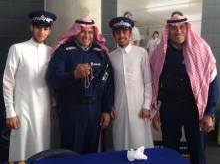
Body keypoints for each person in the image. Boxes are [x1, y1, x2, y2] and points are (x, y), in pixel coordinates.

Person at [150, 15, 218, 164]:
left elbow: (212, 82)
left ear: (187, 28)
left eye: (182, 27)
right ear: (168, 29)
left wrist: (209, 112)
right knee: (170, 152)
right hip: (169, 107)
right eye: (174, 27)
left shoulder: (201, 48)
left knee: (198, 151)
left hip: (194, 108)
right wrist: (154, 110)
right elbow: (152, 83)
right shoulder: (160, 52)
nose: (178, 31)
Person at [47, 18, 114, 155]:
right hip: (71, 109)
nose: (87, 35)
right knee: (70, 150)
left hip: (95, 109)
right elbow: (53, 79)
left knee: (91, 150)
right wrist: (74, 74)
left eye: (90, 32)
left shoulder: (100, 53)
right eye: (82, 31)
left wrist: (106, 110)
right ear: (76, 32)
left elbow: (108, 84)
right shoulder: (63, 51)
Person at [3, 11, 57, 161]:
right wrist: (10, 111)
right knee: (21, 147)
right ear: (31, 27)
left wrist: (53, 104)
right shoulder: (17, 49)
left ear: (49, 30)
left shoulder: (51, 52)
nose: (42, 31)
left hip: (44, 109)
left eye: (45, 28)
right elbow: (8, 81)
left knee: (42, 145)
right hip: (22, 109)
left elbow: (51, 82)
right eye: (38, 27)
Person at [109, 17, 154, 151]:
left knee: (140, 140)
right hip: (118, 105)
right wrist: (110, 104)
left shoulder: (141, 53)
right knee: (120, 140)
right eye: (118, 33)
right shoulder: (110, 56)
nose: (121, 36)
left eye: (124, 32)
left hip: (139, 105)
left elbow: (148, 81)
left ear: (130, 34)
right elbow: (109, 85)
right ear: (114, 36)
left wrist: (147, 105)